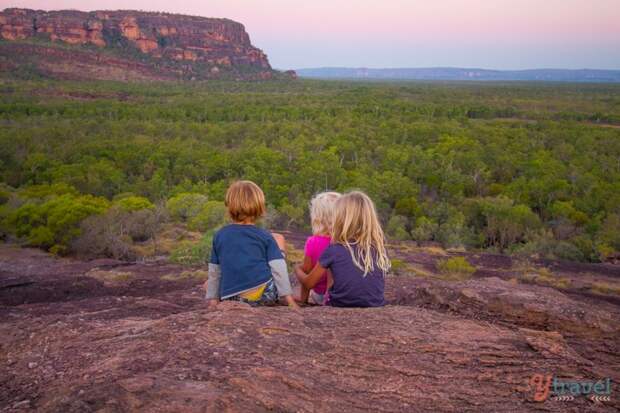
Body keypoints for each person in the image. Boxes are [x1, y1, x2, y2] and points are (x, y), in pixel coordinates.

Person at [204, 180, 298, 309]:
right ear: (259, 207)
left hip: (231, 297)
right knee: (278, 243)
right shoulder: (264, 236)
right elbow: (279, 268)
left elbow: (215, 270)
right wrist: (289, 300)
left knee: (210, 282)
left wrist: (213, 301)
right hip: (263, 296)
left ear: (229, 206)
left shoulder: (220, 235)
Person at [295, 191, 390, 307]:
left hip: (338, 305)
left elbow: (308, 283)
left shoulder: (334, 249)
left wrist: (297, 269)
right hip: (376, 305)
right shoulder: (378, 250)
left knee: (332, 269)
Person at [295, 191, 341, 305]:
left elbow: (306, 271)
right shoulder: (346, 241)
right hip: (342, 294)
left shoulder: (313, 242)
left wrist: (303, 301)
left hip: (320, 296)